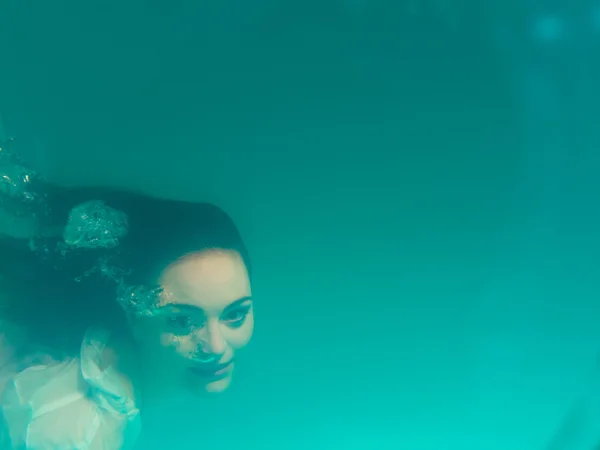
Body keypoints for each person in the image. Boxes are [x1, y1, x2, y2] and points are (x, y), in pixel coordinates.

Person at [0, 141, 255, 449]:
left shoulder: (110, 356)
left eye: (235, 315)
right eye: (182, 321)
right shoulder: (84, 431)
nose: (215, 346)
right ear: (133, 315)